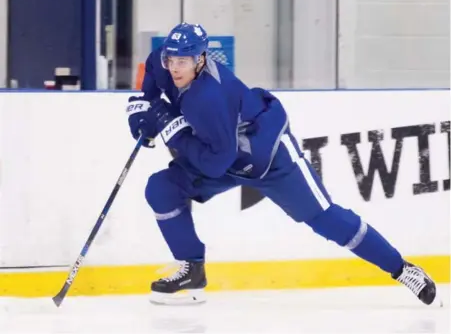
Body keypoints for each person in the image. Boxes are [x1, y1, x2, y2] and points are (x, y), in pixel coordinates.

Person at [126, 22, 437, 306]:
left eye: (184, 61)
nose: (175, 68)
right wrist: (142, 111)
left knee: (324, 217)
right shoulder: (163, 61)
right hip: (221, 151)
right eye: (171, 60)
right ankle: (191, 269)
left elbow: (213, 164)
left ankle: (402, 269)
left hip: (267, 156)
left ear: (201, 59)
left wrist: (170, 127)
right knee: (161, 188)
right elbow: (152, 82)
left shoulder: (207, 98)